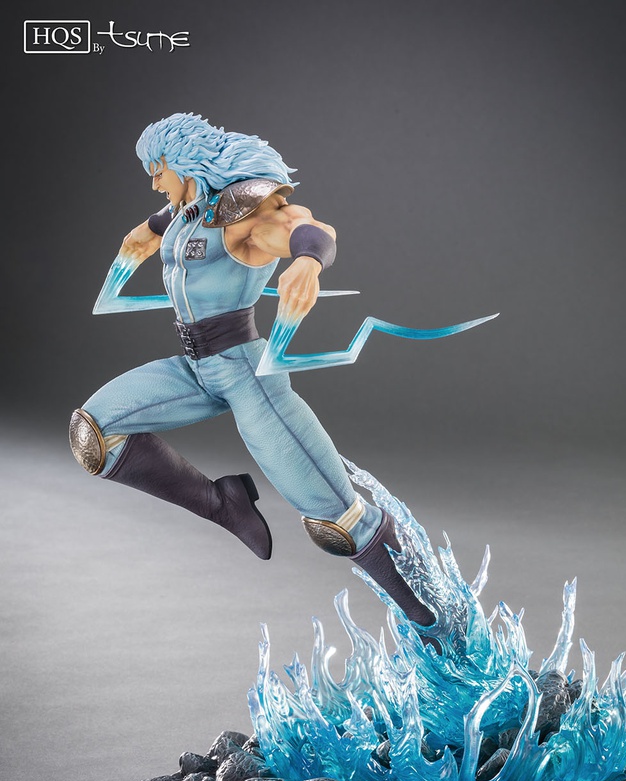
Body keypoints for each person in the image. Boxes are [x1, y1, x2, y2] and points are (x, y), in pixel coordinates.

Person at [69, 112, 436, 633]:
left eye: (157, 170)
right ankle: (224, 504)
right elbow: (165, 222)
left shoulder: (246, 214)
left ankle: (445, 632)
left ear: (184, 164)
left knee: (341, 524)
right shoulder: (189, 210)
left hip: (246, 375)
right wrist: (142, 237)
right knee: (94, 435)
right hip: (194, 369)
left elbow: (307, 227)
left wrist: (307, 261)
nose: (153, 183)